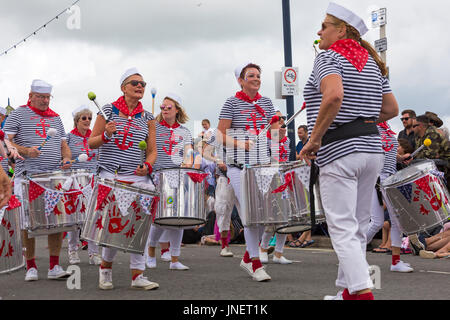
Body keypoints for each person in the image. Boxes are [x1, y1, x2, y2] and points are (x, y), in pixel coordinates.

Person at [300, 3, 399, 300]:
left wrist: (316, 138)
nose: (319, 32)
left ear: (341, 30)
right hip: (371, 149)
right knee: (355, 227)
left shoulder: (328, 57)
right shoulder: (371, 61)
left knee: (341, 228)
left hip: (340, 151)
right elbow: (391, 109)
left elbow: (333, 96)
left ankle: (362, 293)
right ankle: (347, 293)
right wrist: (362, 119)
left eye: (324, 26)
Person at [88, 68, 158, 290]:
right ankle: (105, 270)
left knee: (140, 225)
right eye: (135, 83)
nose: (140, 86)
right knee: (113, 224)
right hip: (112, 175)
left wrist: (147, 165)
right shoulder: (107, 110)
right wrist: (106, 134)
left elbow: (153, 151)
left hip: (138, 177)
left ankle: (138, 274)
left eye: (143, 84)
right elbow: (91, 143)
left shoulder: (148, 117)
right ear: (123, 88)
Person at [5, 79, 73, 282]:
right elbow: (5, 141)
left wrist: (67, 158)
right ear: (31, 96)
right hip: (27, 177)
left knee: (57, 222)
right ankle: (31, 266)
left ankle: (54, 266)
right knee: (27, 223)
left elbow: (64, 146)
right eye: (41, 97)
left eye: (47, 97)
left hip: (53, 176)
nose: (45, 101)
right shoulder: (18, 114)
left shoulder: (56, 118)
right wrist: (26, 151)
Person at [217, 62, 275, 282]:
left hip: (262, 166)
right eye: (251, 75)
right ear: (241, 80)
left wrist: (277, 129)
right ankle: (256, 263)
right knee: (251, 215)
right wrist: (241, 144)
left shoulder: (267, 103)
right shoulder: (231, 103)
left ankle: (248, 257)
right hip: (238, 167)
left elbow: (274, 133)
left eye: (258, 75)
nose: (256, 78)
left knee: (261, 214)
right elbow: (219, 135)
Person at [146, 93, 193, 271]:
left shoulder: (185, 132)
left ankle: (174, 259)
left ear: (177, 110)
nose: (164, 109)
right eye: (162, 107)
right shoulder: (154, 128)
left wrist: (187, 165)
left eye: (168, 107)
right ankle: (150, 249)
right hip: (158, 176)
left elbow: (188, 153)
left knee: (178, 219)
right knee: (160, 218)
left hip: (178, 177)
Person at [366, 121, 413, 272]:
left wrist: (400, 158)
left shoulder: (386, 128)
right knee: (377, 222)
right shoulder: (369, 128)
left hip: (390, 178)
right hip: (377, 179)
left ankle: (396, 261)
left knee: (396, 220)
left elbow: (389, 154)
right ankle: (352, 255)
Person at [65, 106, 101, 266]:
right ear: (77, 121)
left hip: (92, 178)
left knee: (93, 217)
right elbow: (64, 158)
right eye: (84, 118)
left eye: (89, 118)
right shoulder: (69, 138)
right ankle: (72, 250)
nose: (87, 121)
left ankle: (94, 252)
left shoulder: (95, 136)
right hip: (75, 179)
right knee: (74, 218)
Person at [259, 112, 292, 264]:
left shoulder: (287, 141)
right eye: (279, 123)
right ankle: (263, 248)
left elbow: (285, 161)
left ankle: (278, 253)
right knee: (270, 219)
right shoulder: (263, 140)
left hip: (282, 181)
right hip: (268, 182)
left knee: (284, 218)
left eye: (283, 123)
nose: (282, 126)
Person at [412, 114, 450, 190]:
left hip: (447, 170)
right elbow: (422, 154)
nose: (412, 129)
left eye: (414, 126)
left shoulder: (432, 133)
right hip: (439, 170)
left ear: (420, 126)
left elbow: (429, 156)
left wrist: (413, 158)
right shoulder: (418, 137)